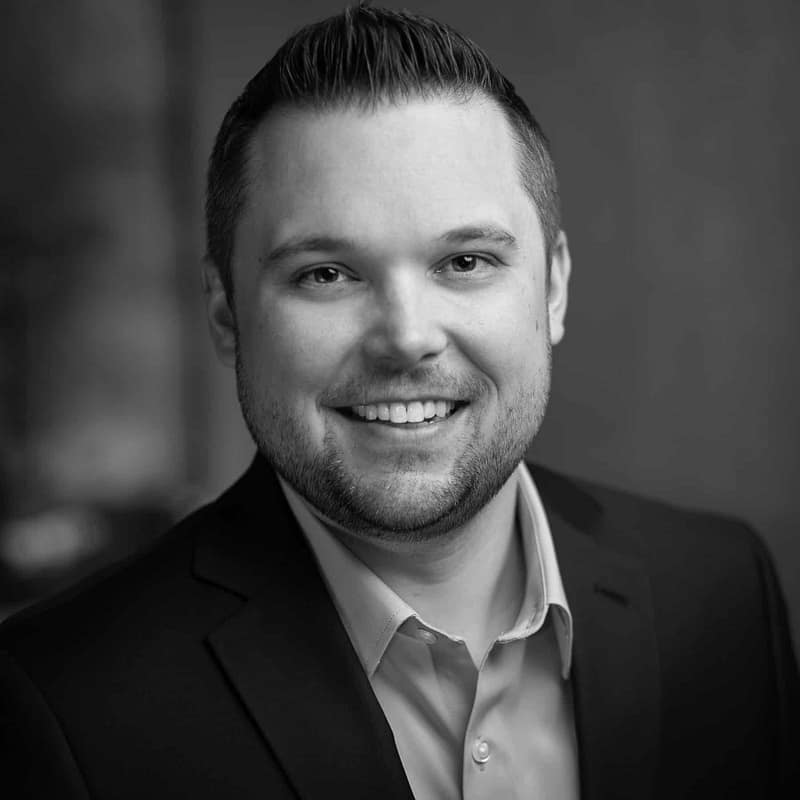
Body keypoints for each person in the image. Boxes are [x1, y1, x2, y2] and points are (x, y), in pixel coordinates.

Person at [1, 5, 797, 799]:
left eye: (466, 260)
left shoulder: (722, 595)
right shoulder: (57, 704)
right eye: (326, 274)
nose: (408, 338)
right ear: (226, 314)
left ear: (553, 287)